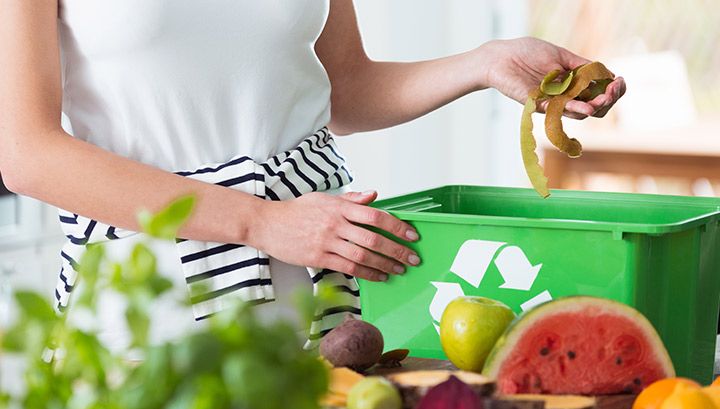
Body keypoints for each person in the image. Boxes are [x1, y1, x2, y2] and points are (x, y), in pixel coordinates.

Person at [0, 0, 625, 350]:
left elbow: (345, 89)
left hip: (315, 280)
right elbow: (27, 151)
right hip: (151, 294)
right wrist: (261, 221)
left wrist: (486, 63)